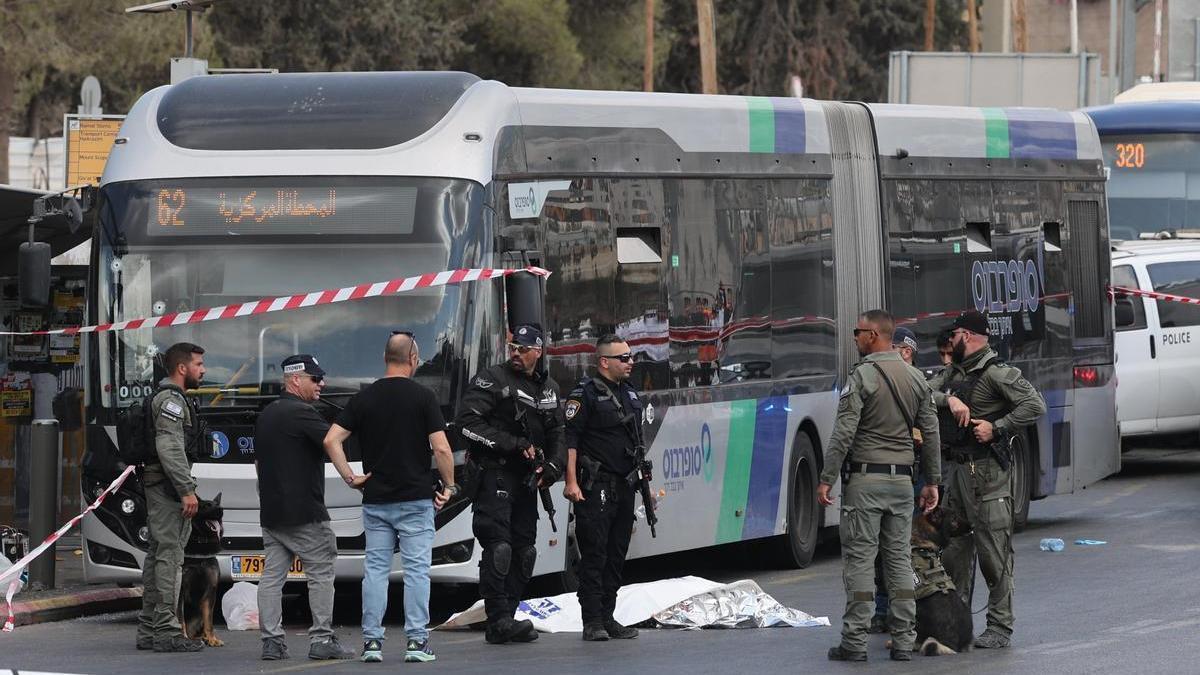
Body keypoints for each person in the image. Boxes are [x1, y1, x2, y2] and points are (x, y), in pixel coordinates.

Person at [324, 333, 456, 664]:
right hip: (415, 499)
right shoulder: (424, 397)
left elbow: (331, 441)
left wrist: (351, 478)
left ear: (385, 357)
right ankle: (416, 642)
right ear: (413, 358)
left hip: (376, 499)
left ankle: (372, 643)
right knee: (415, 572)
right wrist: (450, 486)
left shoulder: (364, 398)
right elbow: (440, 448)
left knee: (376, 571)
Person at [817, 310, 941, 662]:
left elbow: (843, 433)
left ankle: (854, 643)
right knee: (899, 561)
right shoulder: (916, 378)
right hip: (902, 483)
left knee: (860, 562)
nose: (855, 337)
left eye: (858, 331)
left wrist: (826, 478)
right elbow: (929, 433)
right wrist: (932, 481)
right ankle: (904, 641)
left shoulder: (863, 377)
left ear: (873, 335)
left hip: (865, 483)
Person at [927, 311, 1046, 650]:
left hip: (988, 475)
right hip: (958, 473)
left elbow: (1034, 405)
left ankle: (999, 627)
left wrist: (998, 427)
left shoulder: (998, 374)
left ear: (970, 335)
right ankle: (957, 623)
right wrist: (947, 398)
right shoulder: (953, 374)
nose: (951, 342)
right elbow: (921, 393)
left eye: (956, 335)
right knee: (954, 554)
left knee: (994, 553)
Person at [455, 325, 565, 645]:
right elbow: (466, 423)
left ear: (538, 351)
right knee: (498, 546)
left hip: (528, 479)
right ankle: (498, 619)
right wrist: (512, 443)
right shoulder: (493, 379)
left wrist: (554, 467)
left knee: (525, 550)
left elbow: (559, 432)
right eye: (513, 346)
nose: (516, 352)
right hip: (495, 473)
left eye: (523, 348)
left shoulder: (549, 388)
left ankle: (510, 614)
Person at [254, 354, 354, 661]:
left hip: (271, 513)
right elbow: (333, 441)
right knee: (321, 572)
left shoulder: (266, 414)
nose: (321, 384)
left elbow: (259, 464)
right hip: (305, 513)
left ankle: (272, 642)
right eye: (315, 379)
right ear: (295, 380)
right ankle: (322, 639)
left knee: (272, 576)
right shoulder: (302, 413)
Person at [562, 335, 644, 642]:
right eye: (623, 358)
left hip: (626, 485)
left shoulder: (630, 393)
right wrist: (571, 481)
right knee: (595, 554)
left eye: (631, 356)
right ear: (604, 362)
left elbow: (636, 440)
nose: (630, 362)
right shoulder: (585, 395)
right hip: (596, 487)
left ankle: (608, 617)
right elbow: (570, 441)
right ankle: (592, 621)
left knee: (617, 553)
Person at [136, 342, 207, 653]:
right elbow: (170, 448)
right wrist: (186, 490)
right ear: (182, 368)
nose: (203, 370)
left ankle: (150, 629)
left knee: (158, 556)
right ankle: (165, 631)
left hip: (161, 486)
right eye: (198, 364)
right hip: (167, 489)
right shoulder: (171, 401)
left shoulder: (168, 398)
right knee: (169, 558)